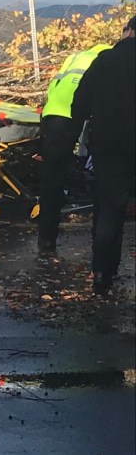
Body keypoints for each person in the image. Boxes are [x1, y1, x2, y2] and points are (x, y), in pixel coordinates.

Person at [71, 15, 135, 296]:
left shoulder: (105, 60)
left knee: (110, 209)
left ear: (128, 31)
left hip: (110, 145)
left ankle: (102, 272)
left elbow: (79, 104)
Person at [36, 40, 111, 253]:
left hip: (52, 114)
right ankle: (101, 241)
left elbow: (57, 85)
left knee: (52, 177)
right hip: (70, 113)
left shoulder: (77, 55)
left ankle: (46, 239)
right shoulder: (104, 58)